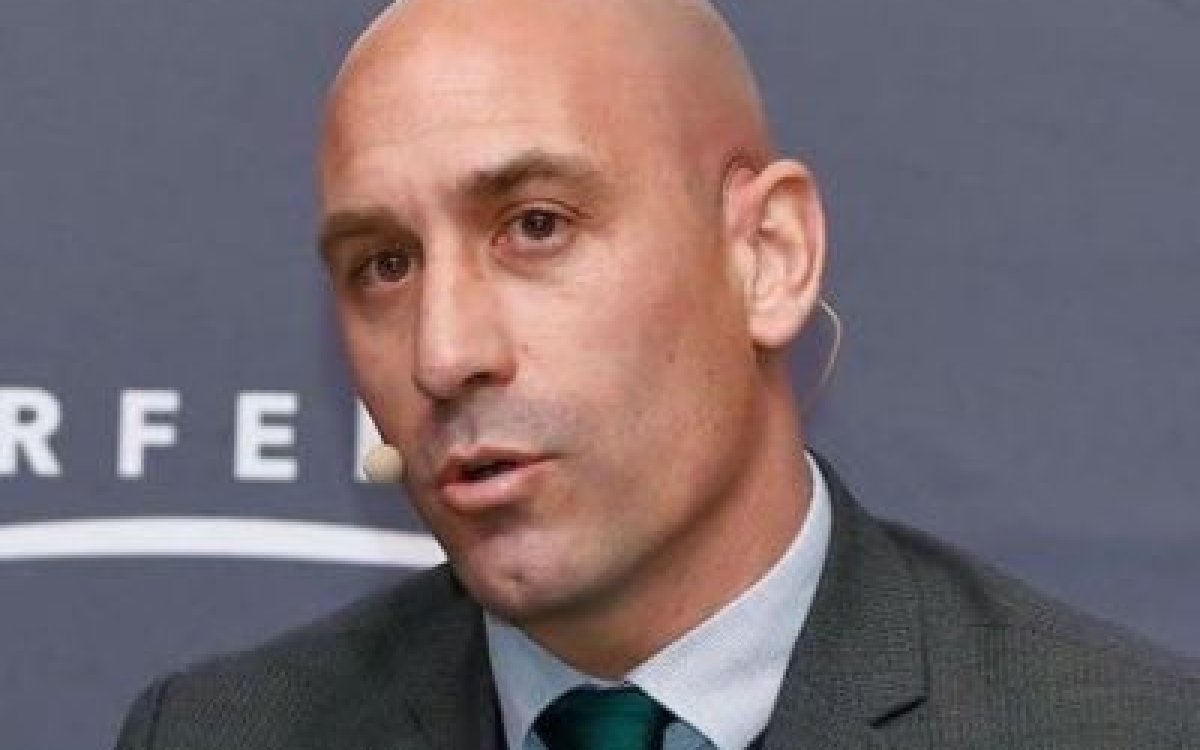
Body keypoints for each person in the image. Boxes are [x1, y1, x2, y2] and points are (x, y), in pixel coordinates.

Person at [115, 0, 1198, 747]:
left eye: (536, 225)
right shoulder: (216, 734)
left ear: (767, 256)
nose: (443, 353)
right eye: (384, 265)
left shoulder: (1118, 731)